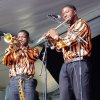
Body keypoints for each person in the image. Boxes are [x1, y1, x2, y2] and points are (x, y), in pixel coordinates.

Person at [46, 4, 92, 100]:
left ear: (74, 12)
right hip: (66, 64)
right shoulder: (70, 29)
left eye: (67, 12)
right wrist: (51, 39)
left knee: (81, 95)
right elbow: (60, 47)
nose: (65, 15)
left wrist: (55, 36)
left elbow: (68, 42)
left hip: (78, 62)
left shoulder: (82, 24)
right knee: (64, 96)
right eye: (63, 14)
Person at [2, 30, 39, 100]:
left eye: (23, 37)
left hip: (27, 80)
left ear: (28, 38)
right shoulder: (13, 52)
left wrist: (21, 47)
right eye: (18, 37)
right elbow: (6, 62)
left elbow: (33, 58)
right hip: (13, 81)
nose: (20, 39)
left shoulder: (34, 50)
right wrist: (10, 47)